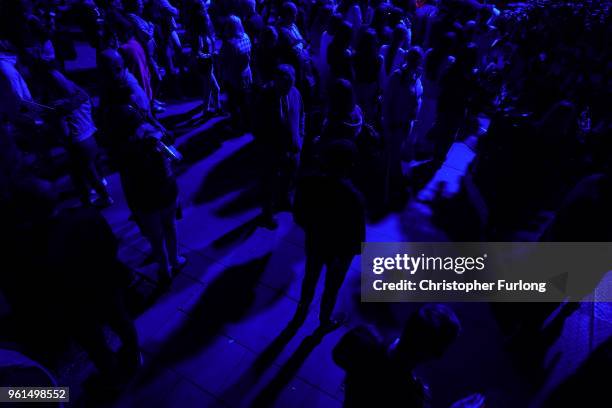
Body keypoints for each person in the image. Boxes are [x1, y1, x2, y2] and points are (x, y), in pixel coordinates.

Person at [292, 140, 365, 330]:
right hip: (340, 252)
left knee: (310, 277)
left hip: (315, 243)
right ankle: (324, 319)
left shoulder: (307, 183)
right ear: (351, 165)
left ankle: (302, 309)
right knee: (332, 287)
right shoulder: (353, 196)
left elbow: (299, 216)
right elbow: (358, 235)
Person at [333, 304, 462, 407]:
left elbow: (338, 355)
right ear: (436, 354)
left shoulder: (362, 337)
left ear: (408, 325)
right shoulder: (413, 397)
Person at [33, 61, 113, 207]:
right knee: (93, 167)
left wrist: (50, 121)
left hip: (78, 142)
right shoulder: (80, 93)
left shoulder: (59, 105)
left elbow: (65, 131)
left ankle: (103, 196)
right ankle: (101, 191)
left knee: (87, 171)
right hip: (91, 136)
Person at [254, 64, 304, 229]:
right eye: (284, 85)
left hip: (293, 146)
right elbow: (258, 128)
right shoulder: (264, 98)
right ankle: (267, 214)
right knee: (269, 181)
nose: (288, 88)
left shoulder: (295, 92)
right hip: (272, 149)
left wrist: (301, 135)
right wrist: (272, 148)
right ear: (276, 82)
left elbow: (301, 114)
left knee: (290, 175)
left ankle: (284, 200)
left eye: (290, 84)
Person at [382, 46, 424, 204]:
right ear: (410, 60)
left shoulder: (415, 76)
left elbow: (416, 97)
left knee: (396, 156)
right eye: (416, 60)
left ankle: (391, 186)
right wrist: (388, 123)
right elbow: (387, 103)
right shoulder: (397, 77)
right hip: (395, 124)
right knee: (390, 159)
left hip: (406, 124)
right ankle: (386, 193)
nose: (418, 64)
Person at [219, 15, 253, 130]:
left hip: (233, 76)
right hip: (246, 73)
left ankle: (236, 125)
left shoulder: (229, 44)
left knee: (234, 102)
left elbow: (223, 61)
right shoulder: (246, 36)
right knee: (245, 100)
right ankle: (247, 123)